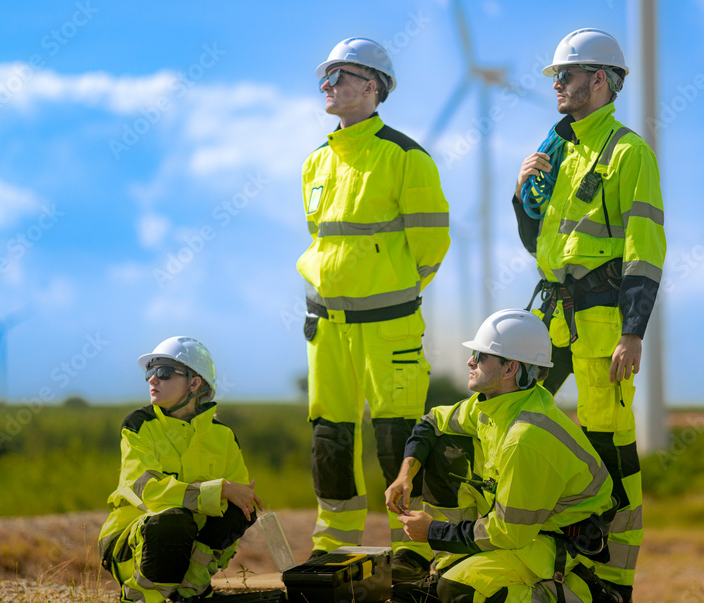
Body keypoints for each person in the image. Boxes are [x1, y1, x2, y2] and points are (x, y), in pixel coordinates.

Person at [511, 28, 667, 602]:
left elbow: (646, 250)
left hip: (605, 320)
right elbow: (540, 244)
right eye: (556, 77)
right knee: (519, 418)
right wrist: (522, 195)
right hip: (552, 310)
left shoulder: (629, 153)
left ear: (599, 81)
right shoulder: (558, 151)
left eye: (566, 76)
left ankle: (613, 580)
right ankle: (556, 545)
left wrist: (633, 331)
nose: (557, 86)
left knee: (610, 446)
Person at [298, 37, 450, 581]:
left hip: (389, 328)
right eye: (326, 76)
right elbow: (323, 241)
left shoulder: (406, 157)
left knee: (398, 440)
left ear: (373, 87)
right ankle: (333, 547)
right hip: (327, 328)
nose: (329, 85)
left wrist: (392, 290)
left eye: (341, 76)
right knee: (329, 439)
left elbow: (431, 246)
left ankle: (414, 550)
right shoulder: (316, 160)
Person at [385, 310, 619, 603]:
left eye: (480, 355)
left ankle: (577, 595)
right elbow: (432, 421)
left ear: (510, 369)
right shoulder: (496, 405)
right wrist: (404, 474)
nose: (470, 361)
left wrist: (433, 531)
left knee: (459, 592)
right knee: (443, 441)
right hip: (528, 528)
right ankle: (453, 563)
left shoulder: (527, 437)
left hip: (560, 542)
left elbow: (509, 533)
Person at [99, 336, 262, 603]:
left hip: (187, 547)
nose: (152, 379)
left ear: (195, 383)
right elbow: (146, 490)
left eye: (163, 372)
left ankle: (190, 592)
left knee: (240, 510)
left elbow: (239, 499)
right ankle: (143, 598)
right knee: (172, 520)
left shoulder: (224, 437)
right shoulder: (139, 425)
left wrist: (234, 496)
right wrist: (216, 489)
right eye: (150, 373)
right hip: (130, 545)